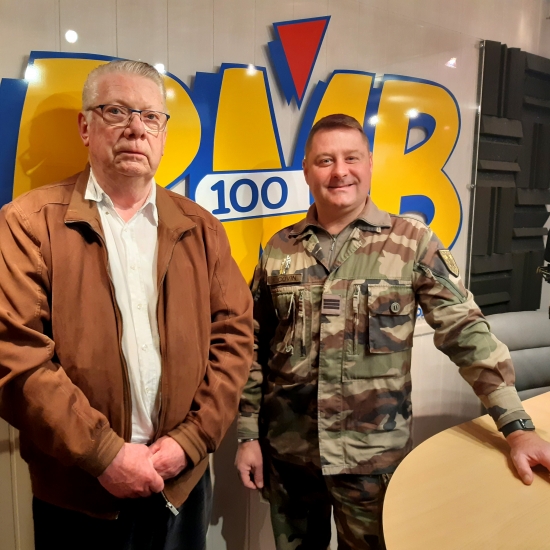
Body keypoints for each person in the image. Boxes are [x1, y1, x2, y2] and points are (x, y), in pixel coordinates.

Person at [235, 113, 550, 549]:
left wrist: (516, 426)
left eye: (351, 158)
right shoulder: (278, 249)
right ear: (306, 170)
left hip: (372, 463)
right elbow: (252, 348)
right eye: (325, 160)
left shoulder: (411, 242)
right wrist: (247, 435)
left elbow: (467, 334)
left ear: (369, 163)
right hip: (290, 459)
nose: (340, 171)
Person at [0, 60, 253, 550]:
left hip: (180, 482)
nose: (136, 129)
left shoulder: (202, 228)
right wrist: (103, 454)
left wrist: (191, 440)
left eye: (151, 117)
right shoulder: (29, 223)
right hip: (78, 490)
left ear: (163, 134)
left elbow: (235, 338)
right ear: (85, 127)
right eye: (116, 111)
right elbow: (15, 354)